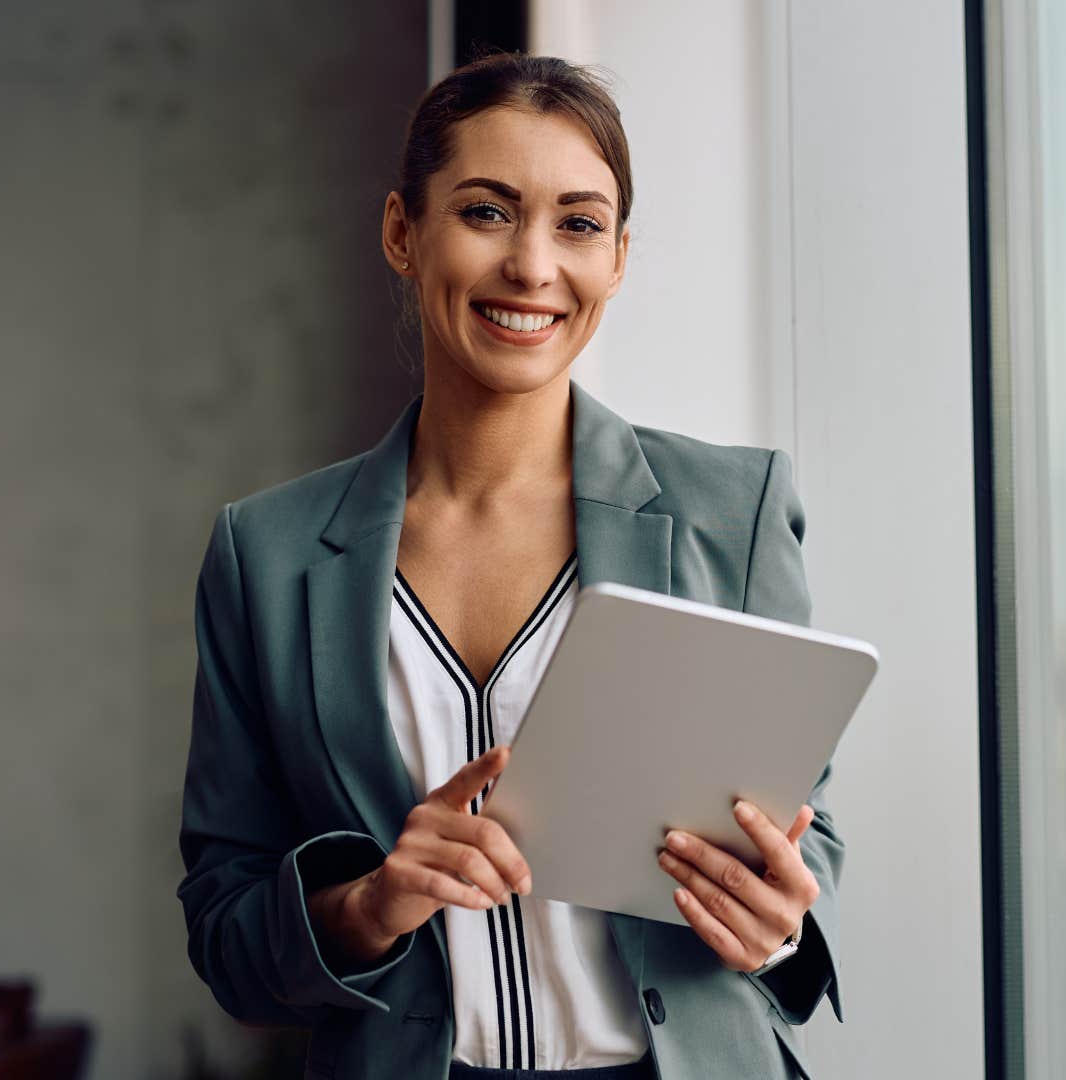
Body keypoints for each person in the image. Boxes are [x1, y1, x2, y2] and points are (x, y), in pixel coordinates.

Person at [175, 53, 841, 1080]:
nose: (533, 266)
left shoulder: (734, 513)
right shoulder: (264, 556)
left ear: (618, 259)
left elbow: (808, 839)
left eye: (578, 223)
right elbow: (226, 931)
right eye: (487, 212)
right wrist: (369, 905)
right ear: (404, 231)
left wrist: (782, 924)